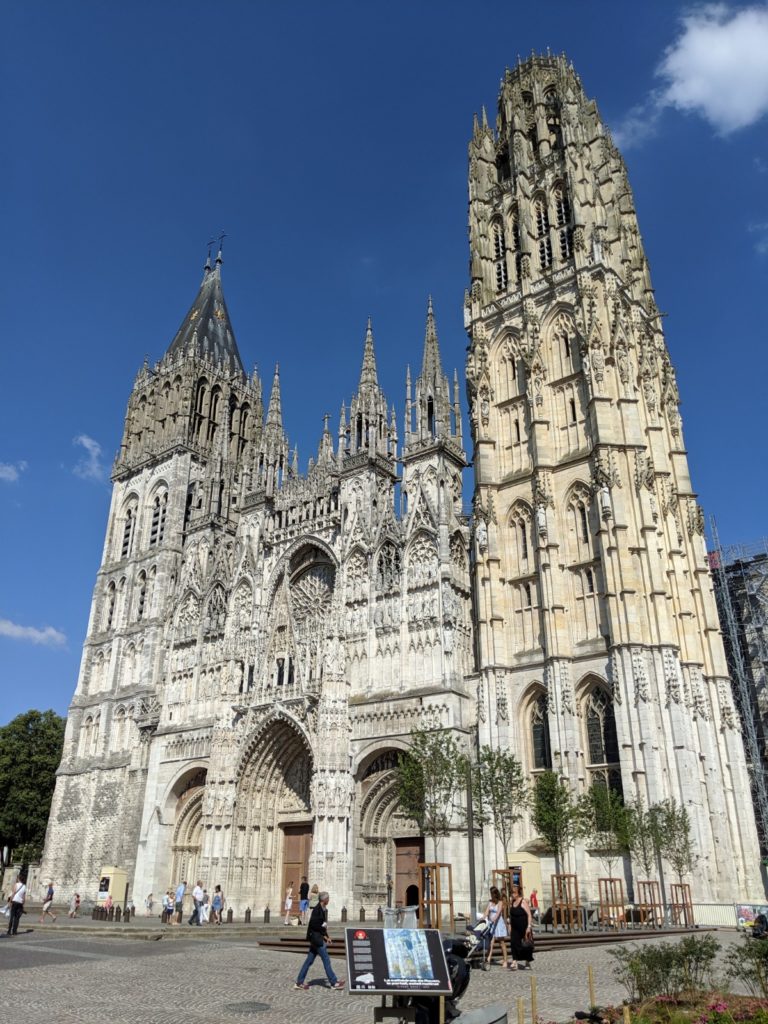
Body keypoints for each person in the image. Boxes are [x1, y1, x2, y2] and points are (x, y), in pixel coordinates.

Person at [294, 891, 345, 990]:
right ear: (324, 900)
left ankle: (299, 982)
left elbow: (322, 925)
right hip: (317, 940)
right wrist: (324, 936)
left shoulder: (321, 909)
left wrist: (327, 936)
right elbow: (314, 924)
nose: (329, 900)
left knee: (308, 961)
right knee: (326, 960)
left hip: (316, 939)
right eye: (328, 898)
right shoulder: (317, 910)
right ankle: (333, 982)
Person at [508, 886, 534, 970]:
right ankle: (514, 961)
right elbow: (511, 915)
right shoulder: (512, 902)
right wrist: (509, 925)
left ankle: (527, 961)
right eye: (511, 892)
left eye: (514, 892)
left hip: (524, 927)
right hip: (514, 927)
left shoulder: (523, 902)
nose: (512, 894)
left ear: (518, 893)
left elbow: (529, 915)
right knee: (513, 943)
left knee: (526, 945)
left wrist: (529, 927)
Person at [485, 886, 509, 968]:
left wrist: (493, 919)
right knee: (491, 943)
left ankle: (505, 960)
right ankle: (488, 959)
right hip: (491, 924)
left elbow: (498, 913)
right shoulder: (490, 902)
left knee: (501, 942)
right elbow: (486, 912)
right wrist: (482, 918)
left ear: (495, 894)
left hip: (498, 924)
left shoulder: (500, 902)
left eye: (492, 893)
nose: (491, 895)